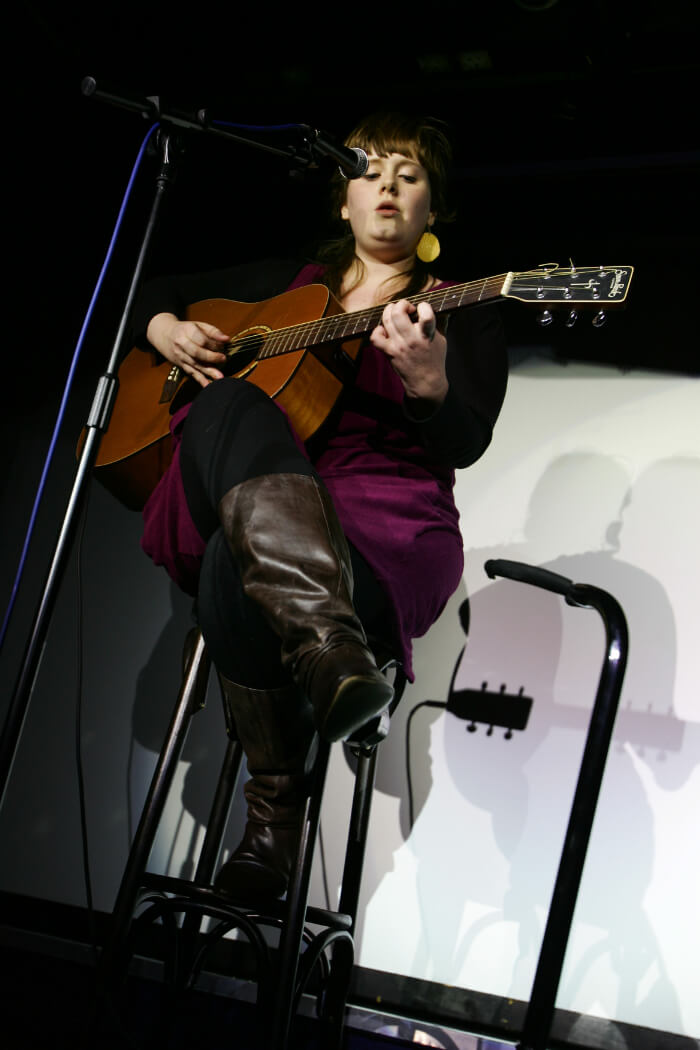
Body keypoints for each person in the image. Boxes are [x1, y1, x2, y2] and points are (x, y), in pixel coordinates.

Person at [131, 112, 508, 900]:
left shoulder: (459, 307)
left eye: (409, 175)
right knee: (226, 403)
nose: (388, 187)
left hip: (385, 526)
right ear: (343, 200)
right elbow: (151, 290)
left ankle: (273, 816)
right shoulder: (289, 284)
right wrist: (164, 329)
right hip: (270, 489)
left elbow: (466, 440)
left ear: (432, 210)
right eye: (370, 172)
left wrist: (429, 385)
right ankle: (329, 653)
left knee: (236, 561)